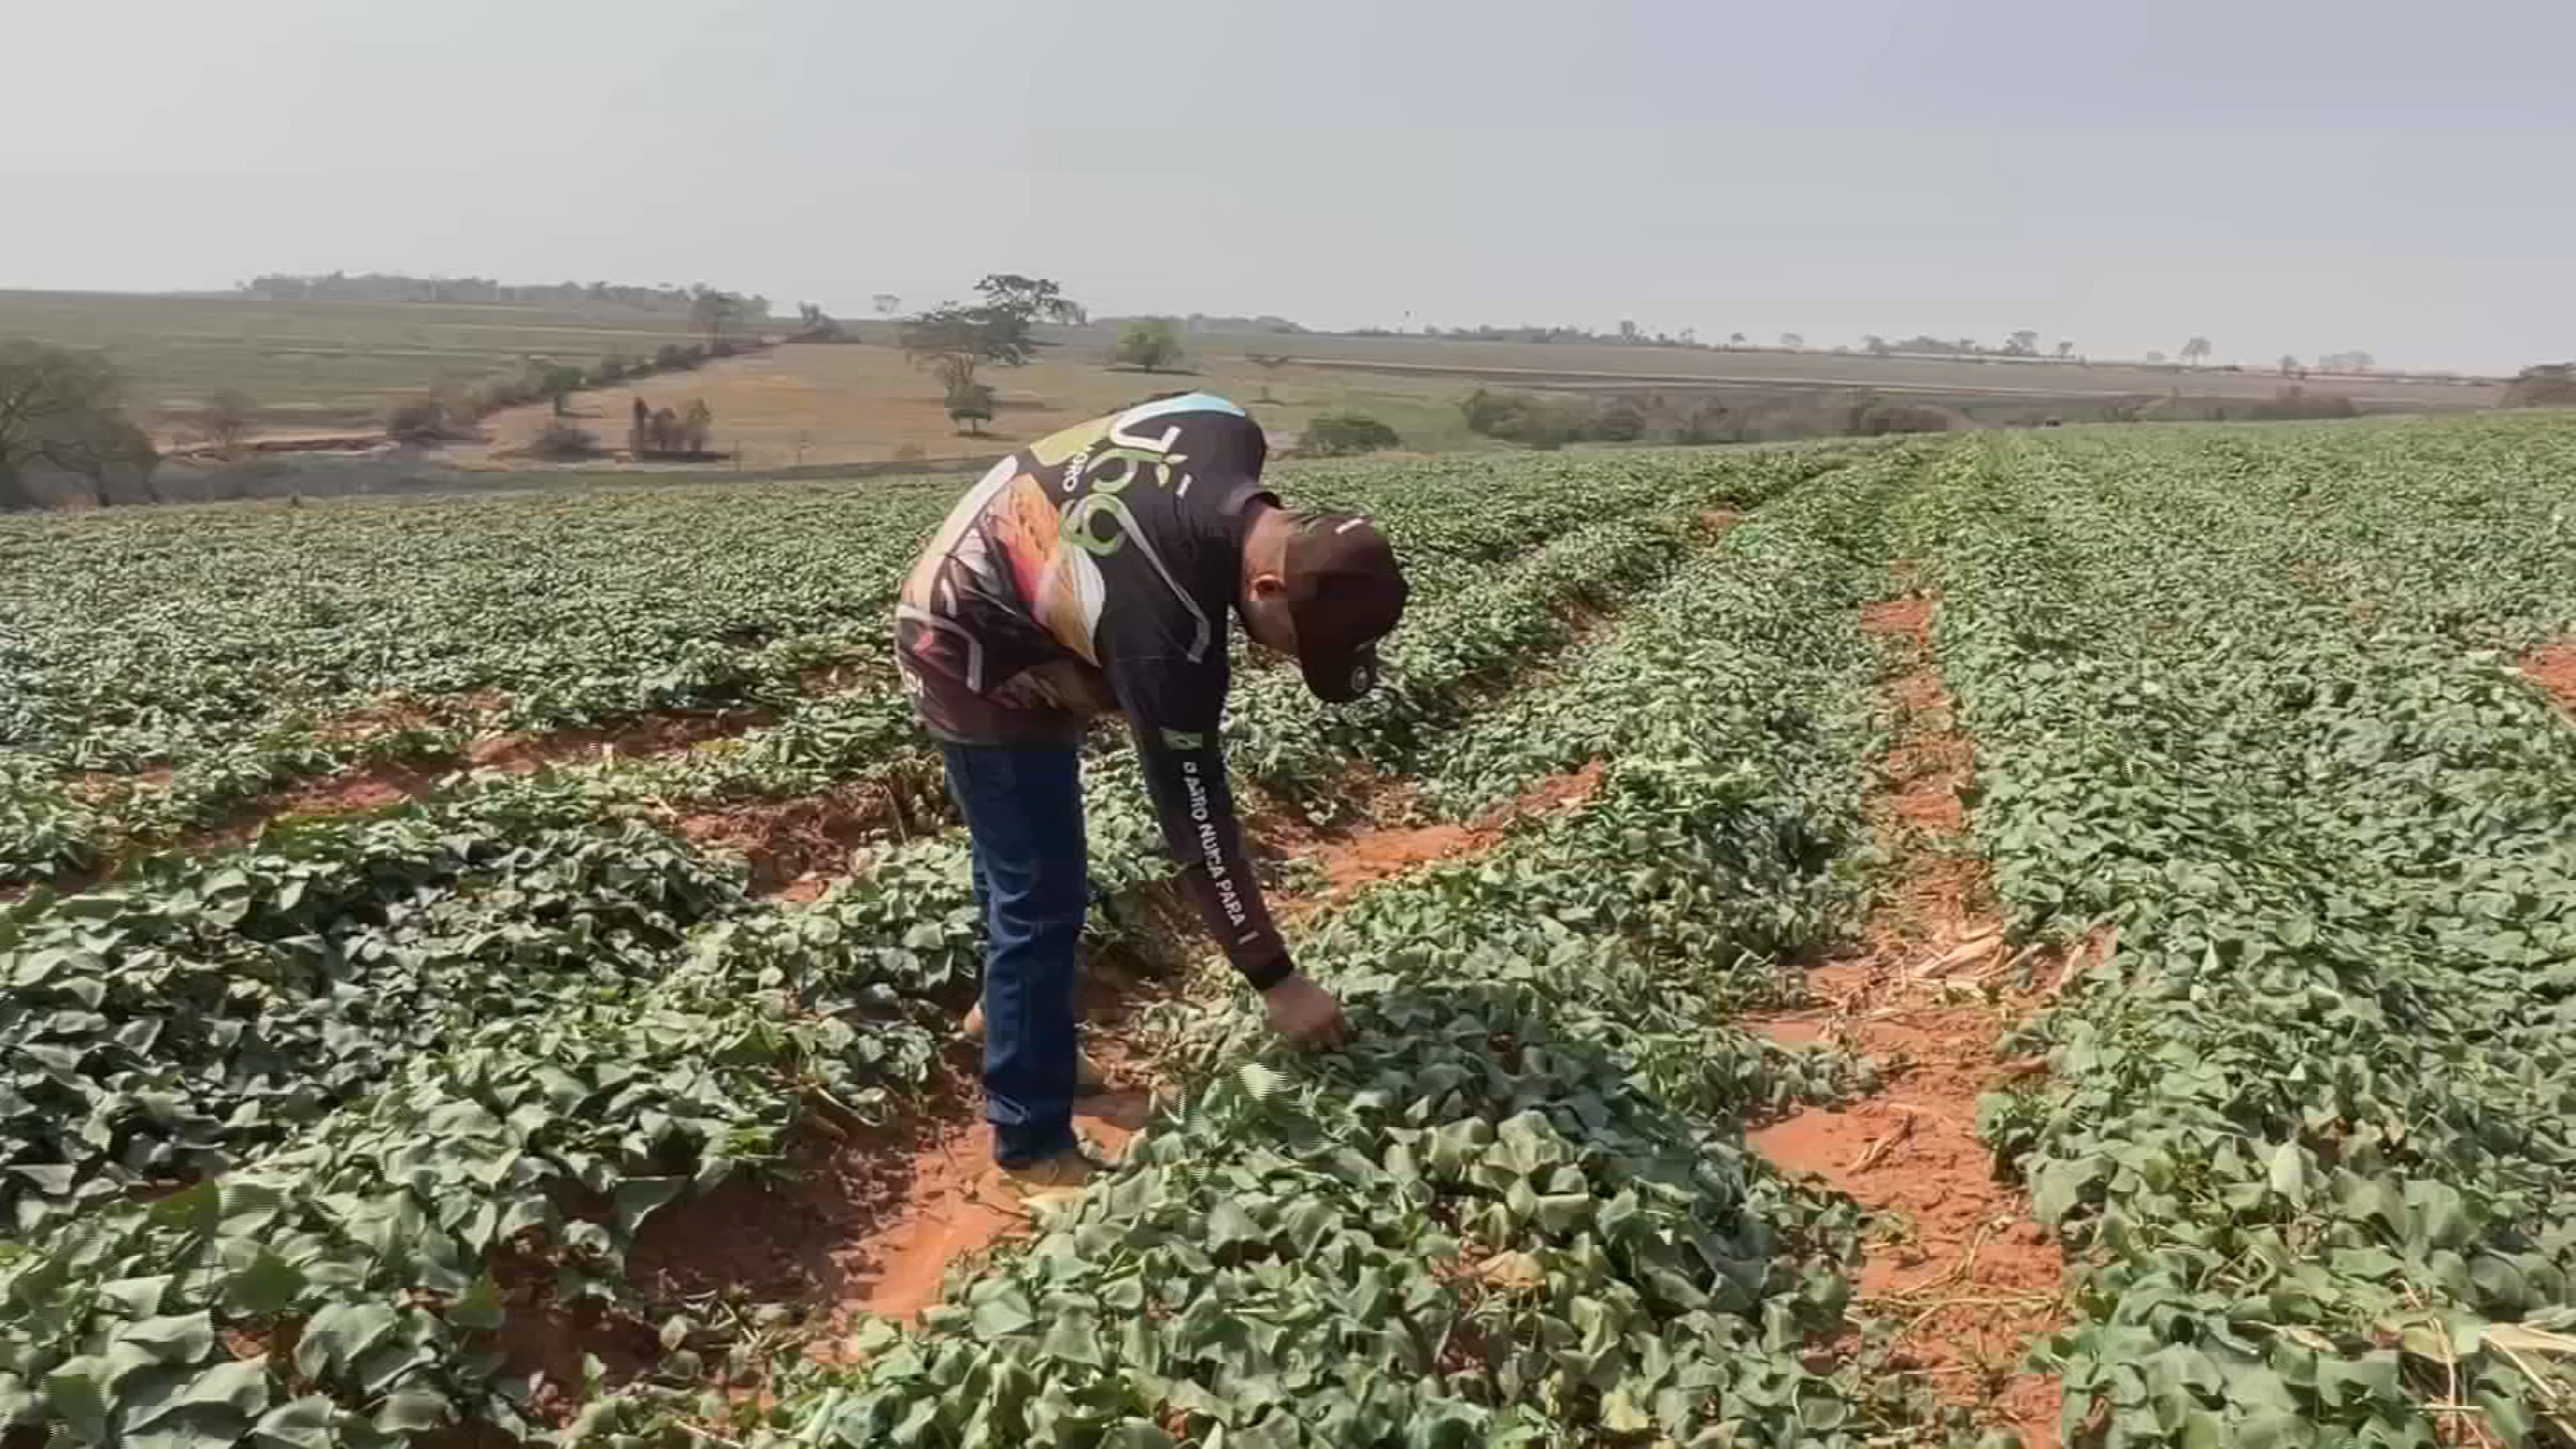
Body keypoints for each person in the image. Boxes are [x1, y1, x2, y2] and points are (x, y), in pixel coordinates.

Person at [893, 391, 1408, 1191]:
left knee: (1025, 860)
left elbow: (1177, 410)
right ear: (1267, 588)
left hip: (1018, 584)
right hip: (967, 641)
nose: (1283, 661)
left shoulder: (1229, 429)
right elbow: (1194, 815)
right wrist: (1276, 977)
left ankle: (1009, 1014)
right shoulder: (1171, 634)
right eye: (1296, 647)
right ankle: (1031, 1142)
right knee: (1042, 892)